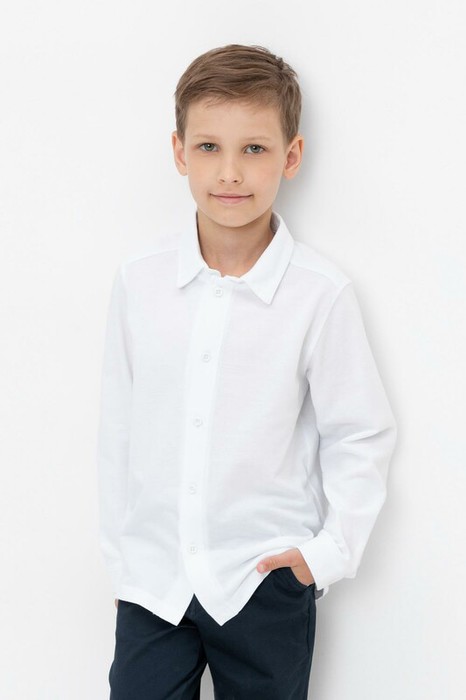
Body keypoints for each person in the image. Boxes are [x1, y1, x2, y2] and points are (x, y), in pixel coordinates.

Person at [96, 43, 397, 700]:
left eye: (254, 148)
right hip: (154, 584)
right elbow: (119, 428)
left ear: (291, 155)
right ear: (179, 151)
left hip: (264, 582)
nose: (230, 172)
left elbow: (360, 432)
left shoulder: (320, 294)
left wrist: (323, 557)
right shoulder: (140, 281)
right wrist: (124, 566)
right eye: (209, 147)